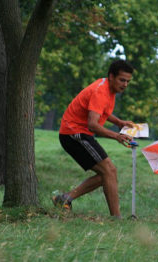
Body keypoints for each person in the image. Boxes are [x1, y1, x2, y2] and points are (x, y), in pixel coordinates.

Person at [53, 60, 134, 218]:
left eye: (128, 81)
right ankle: (117, 219)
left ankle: (64, 199)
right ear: (111, 76)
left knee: (107, 173)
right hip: (74, 133)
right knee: (109, 170)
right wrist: (116, 136)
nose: (125, 84)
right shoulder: (101, 91)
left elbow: (100, 110)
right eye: (122, 80)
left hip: (77, 133)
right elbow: (93, 125)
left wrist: (118, 122)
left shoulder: (107, 88)